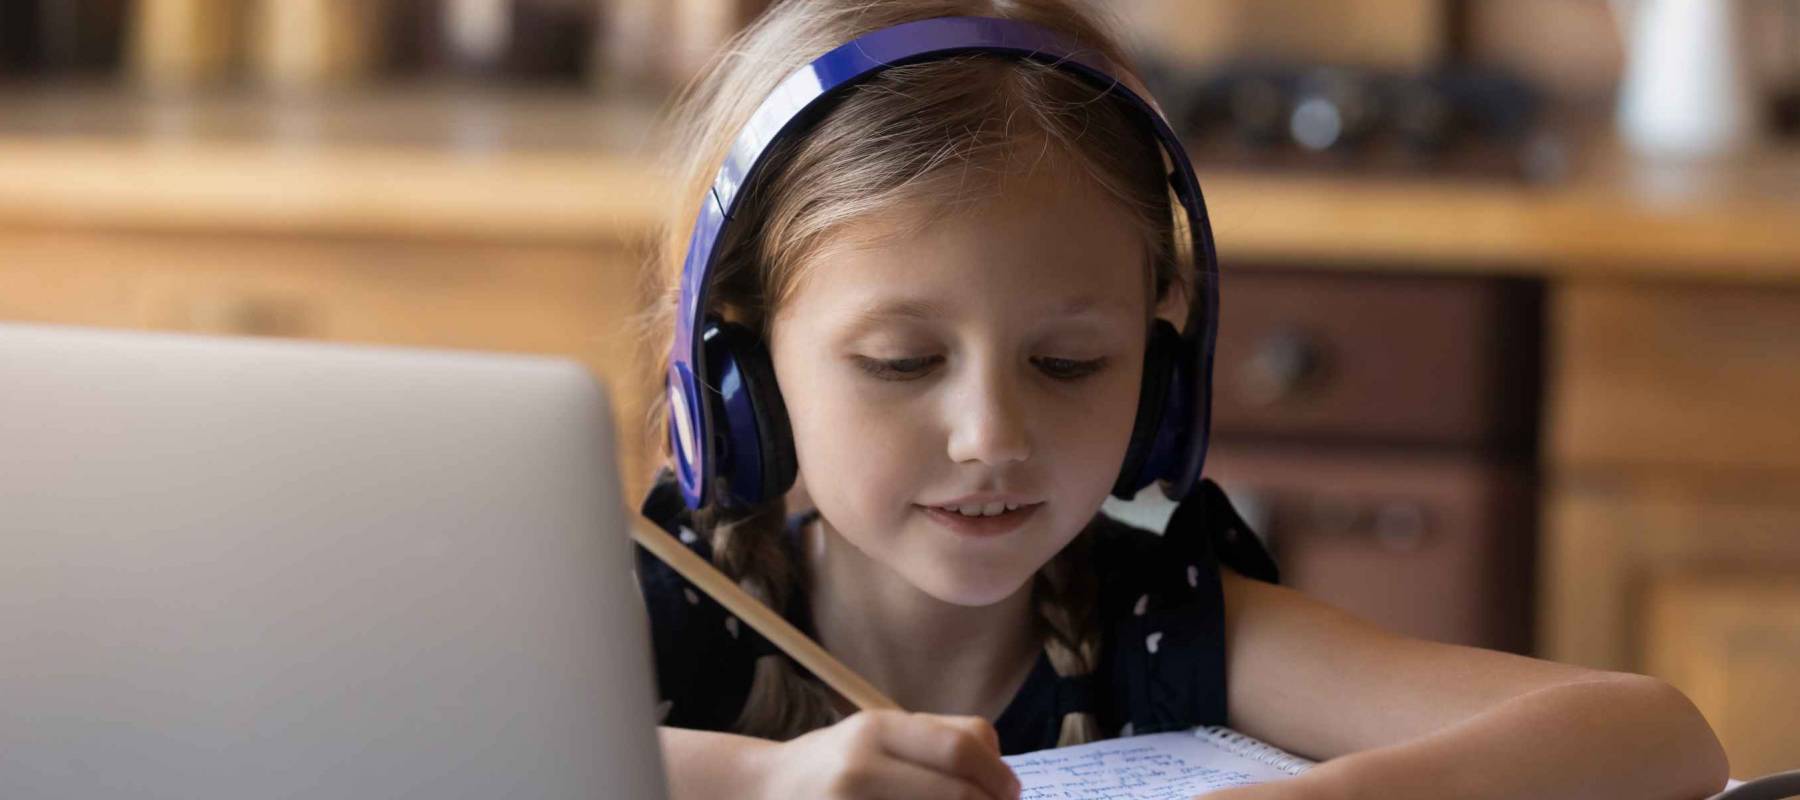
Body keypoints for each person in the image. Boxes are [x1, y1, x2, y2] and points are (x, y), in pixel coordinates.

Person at [630, 2, 1729, 798]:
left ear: (1161, 369)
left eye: (1068, 363)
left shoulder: (1161, 617)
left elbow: (1659, 733)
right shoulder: (651, 607)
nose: (993, 437)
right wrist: (757, 782)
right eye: (902, 362)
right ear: (739, 360)